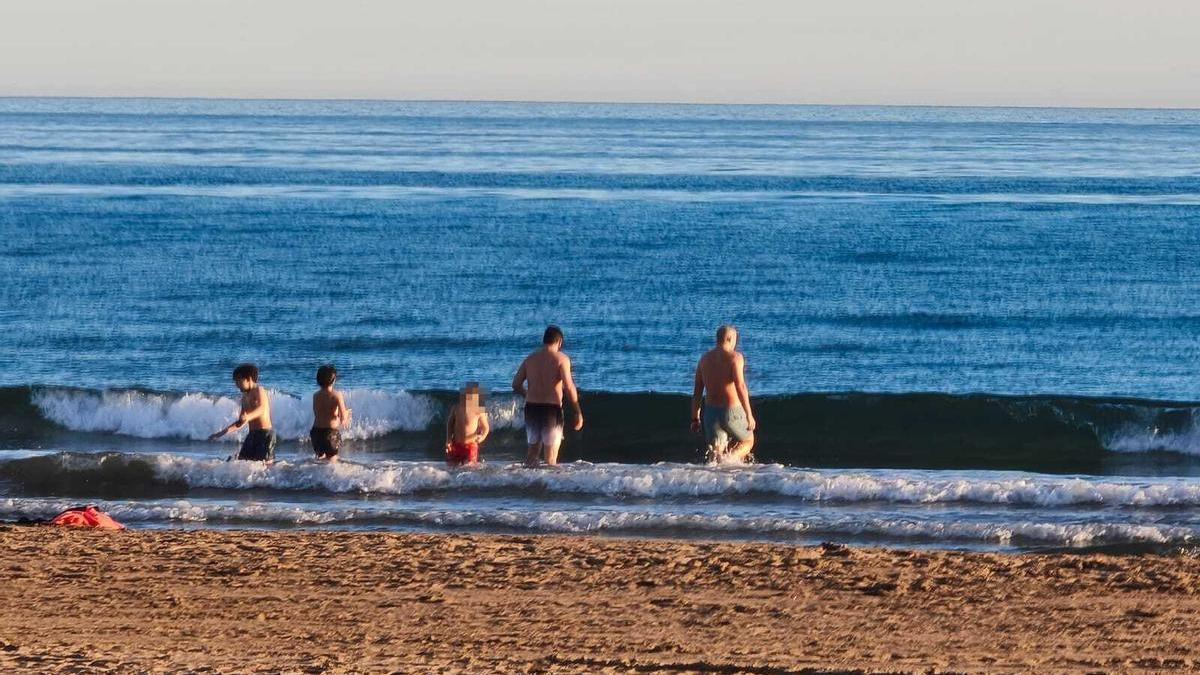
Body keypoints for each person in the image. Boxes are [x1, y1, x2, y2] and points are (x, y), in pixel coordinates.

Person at [513, 325, 583, 466]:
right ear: (560, 342)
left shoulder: (530, 359)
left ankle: (526, 484)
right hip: (551, 410)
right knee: (550, 458)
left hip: (531, 408)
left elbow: (515, 384)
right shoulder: (561, 359)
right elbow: (569, 387)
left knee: (532, 454)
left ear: (544, 341)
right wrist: (577, 411)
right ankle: (546, 487)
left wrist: (528, 395)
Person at [691, 325, 756, 463]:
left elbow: (697, 391)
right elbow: (741, 386)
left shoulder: (704, 359)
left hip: (710, 414)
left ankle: (716, 481)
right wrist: (749, 415)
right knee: (748, 441)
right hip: (731, 412)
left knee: (715, 456)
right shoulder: (735, 358)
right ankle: (730, 459)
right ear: (730, 339)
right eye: (735, 341)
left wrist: (695, 418)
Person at [208, 363, 276, 462]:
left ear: (248, 379)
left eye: (238, 380)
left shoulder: (259, 391)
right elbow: (240, 422)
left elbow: (261, 408)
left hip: (265, 434)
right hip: (252, 435)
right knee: (242, 463)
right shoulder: (244, 397)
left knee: (265, 466)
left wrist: (248, 417)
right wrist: (220, 434)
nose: (236, 384)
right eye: (235, 381)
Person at [311, 364, 352, 461]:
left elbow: (317, 413)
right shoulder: (337, 395)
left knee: (320, 459)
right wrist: (347, 413)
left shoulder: (315, 395)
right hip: (330, 433)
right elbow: (343, 419)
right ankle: (330, 476)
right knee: (332, 460)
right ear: (333, 380)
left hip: (316, 432)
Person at [444, 382, 490, 466]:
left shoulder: (479, 411)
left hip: (471, 446)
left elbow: (486, 428)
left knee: (470, 467)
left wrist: (482, 437)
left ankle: (469, 478)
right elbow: (450, 423)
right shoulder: (457, 407)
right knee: (451, 466)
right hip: (456, 444)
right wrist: (448, 439)